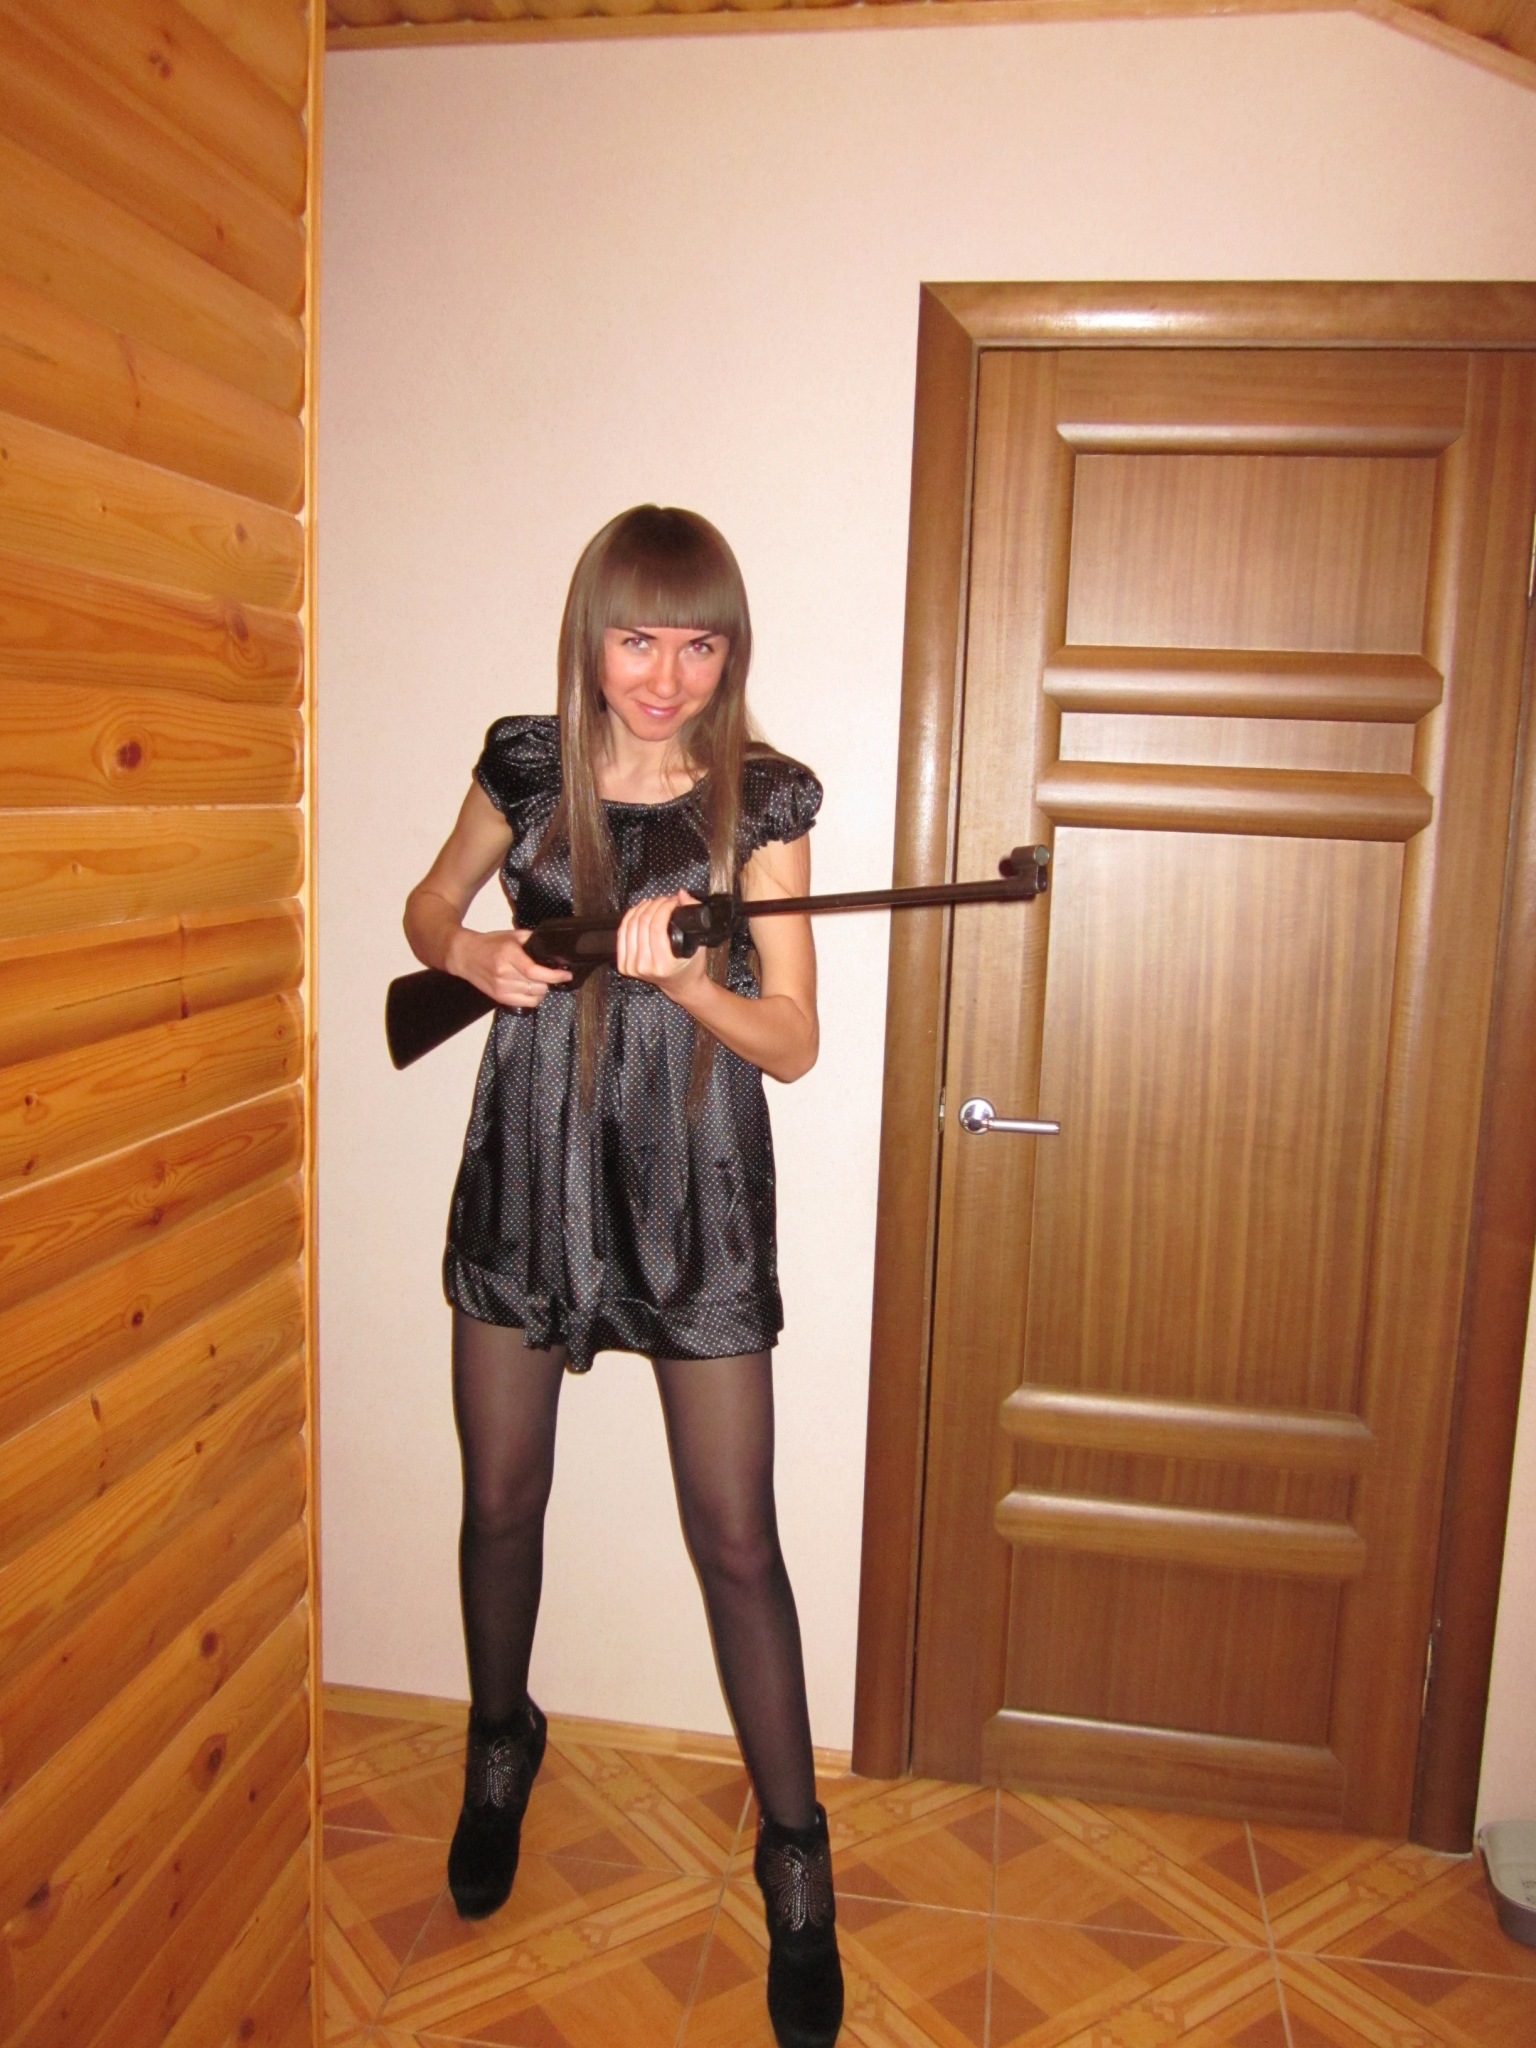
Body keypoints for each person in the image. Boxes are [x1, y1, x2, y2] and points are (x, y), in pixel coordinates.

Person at [403, 505, 843, 2048]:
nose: (666, 677)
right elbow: (427, 906)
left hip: (693, 1184)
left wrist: (700, 984)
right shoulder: (527, 768)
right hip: (528, 1170)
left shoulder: (759, 801)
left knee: (738, 1540)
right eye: (638, 639)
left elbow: (795, 1041)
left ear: (732, 651)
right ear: (591, 637)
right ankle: (500, 1746)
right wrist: (470, 958)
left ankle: (797, 1857)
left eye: (699, 643)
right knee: (499, 1502)